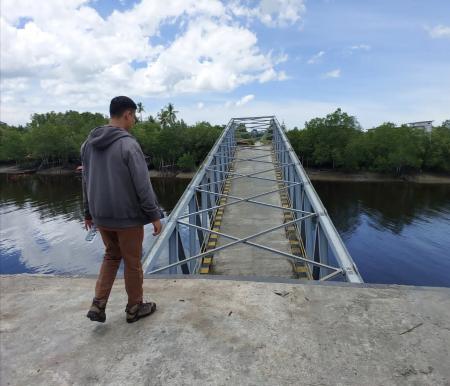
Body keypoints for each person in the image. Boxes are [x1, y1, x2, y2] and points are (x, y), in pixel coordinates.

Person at [81, 96, 162, 323]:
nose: (134, 121)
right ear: (127, 114)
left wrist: (88, 212)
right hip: (126, 217)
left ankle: (98, 305)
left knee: (111, 256)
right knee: (133, 262)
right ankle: (135, 307)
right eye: (134, 116)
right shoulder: (128, 144)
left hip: (101, 216)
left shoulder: (88, 144)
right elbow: (143, 185)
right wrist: (154, 214)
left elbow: (85, 180)